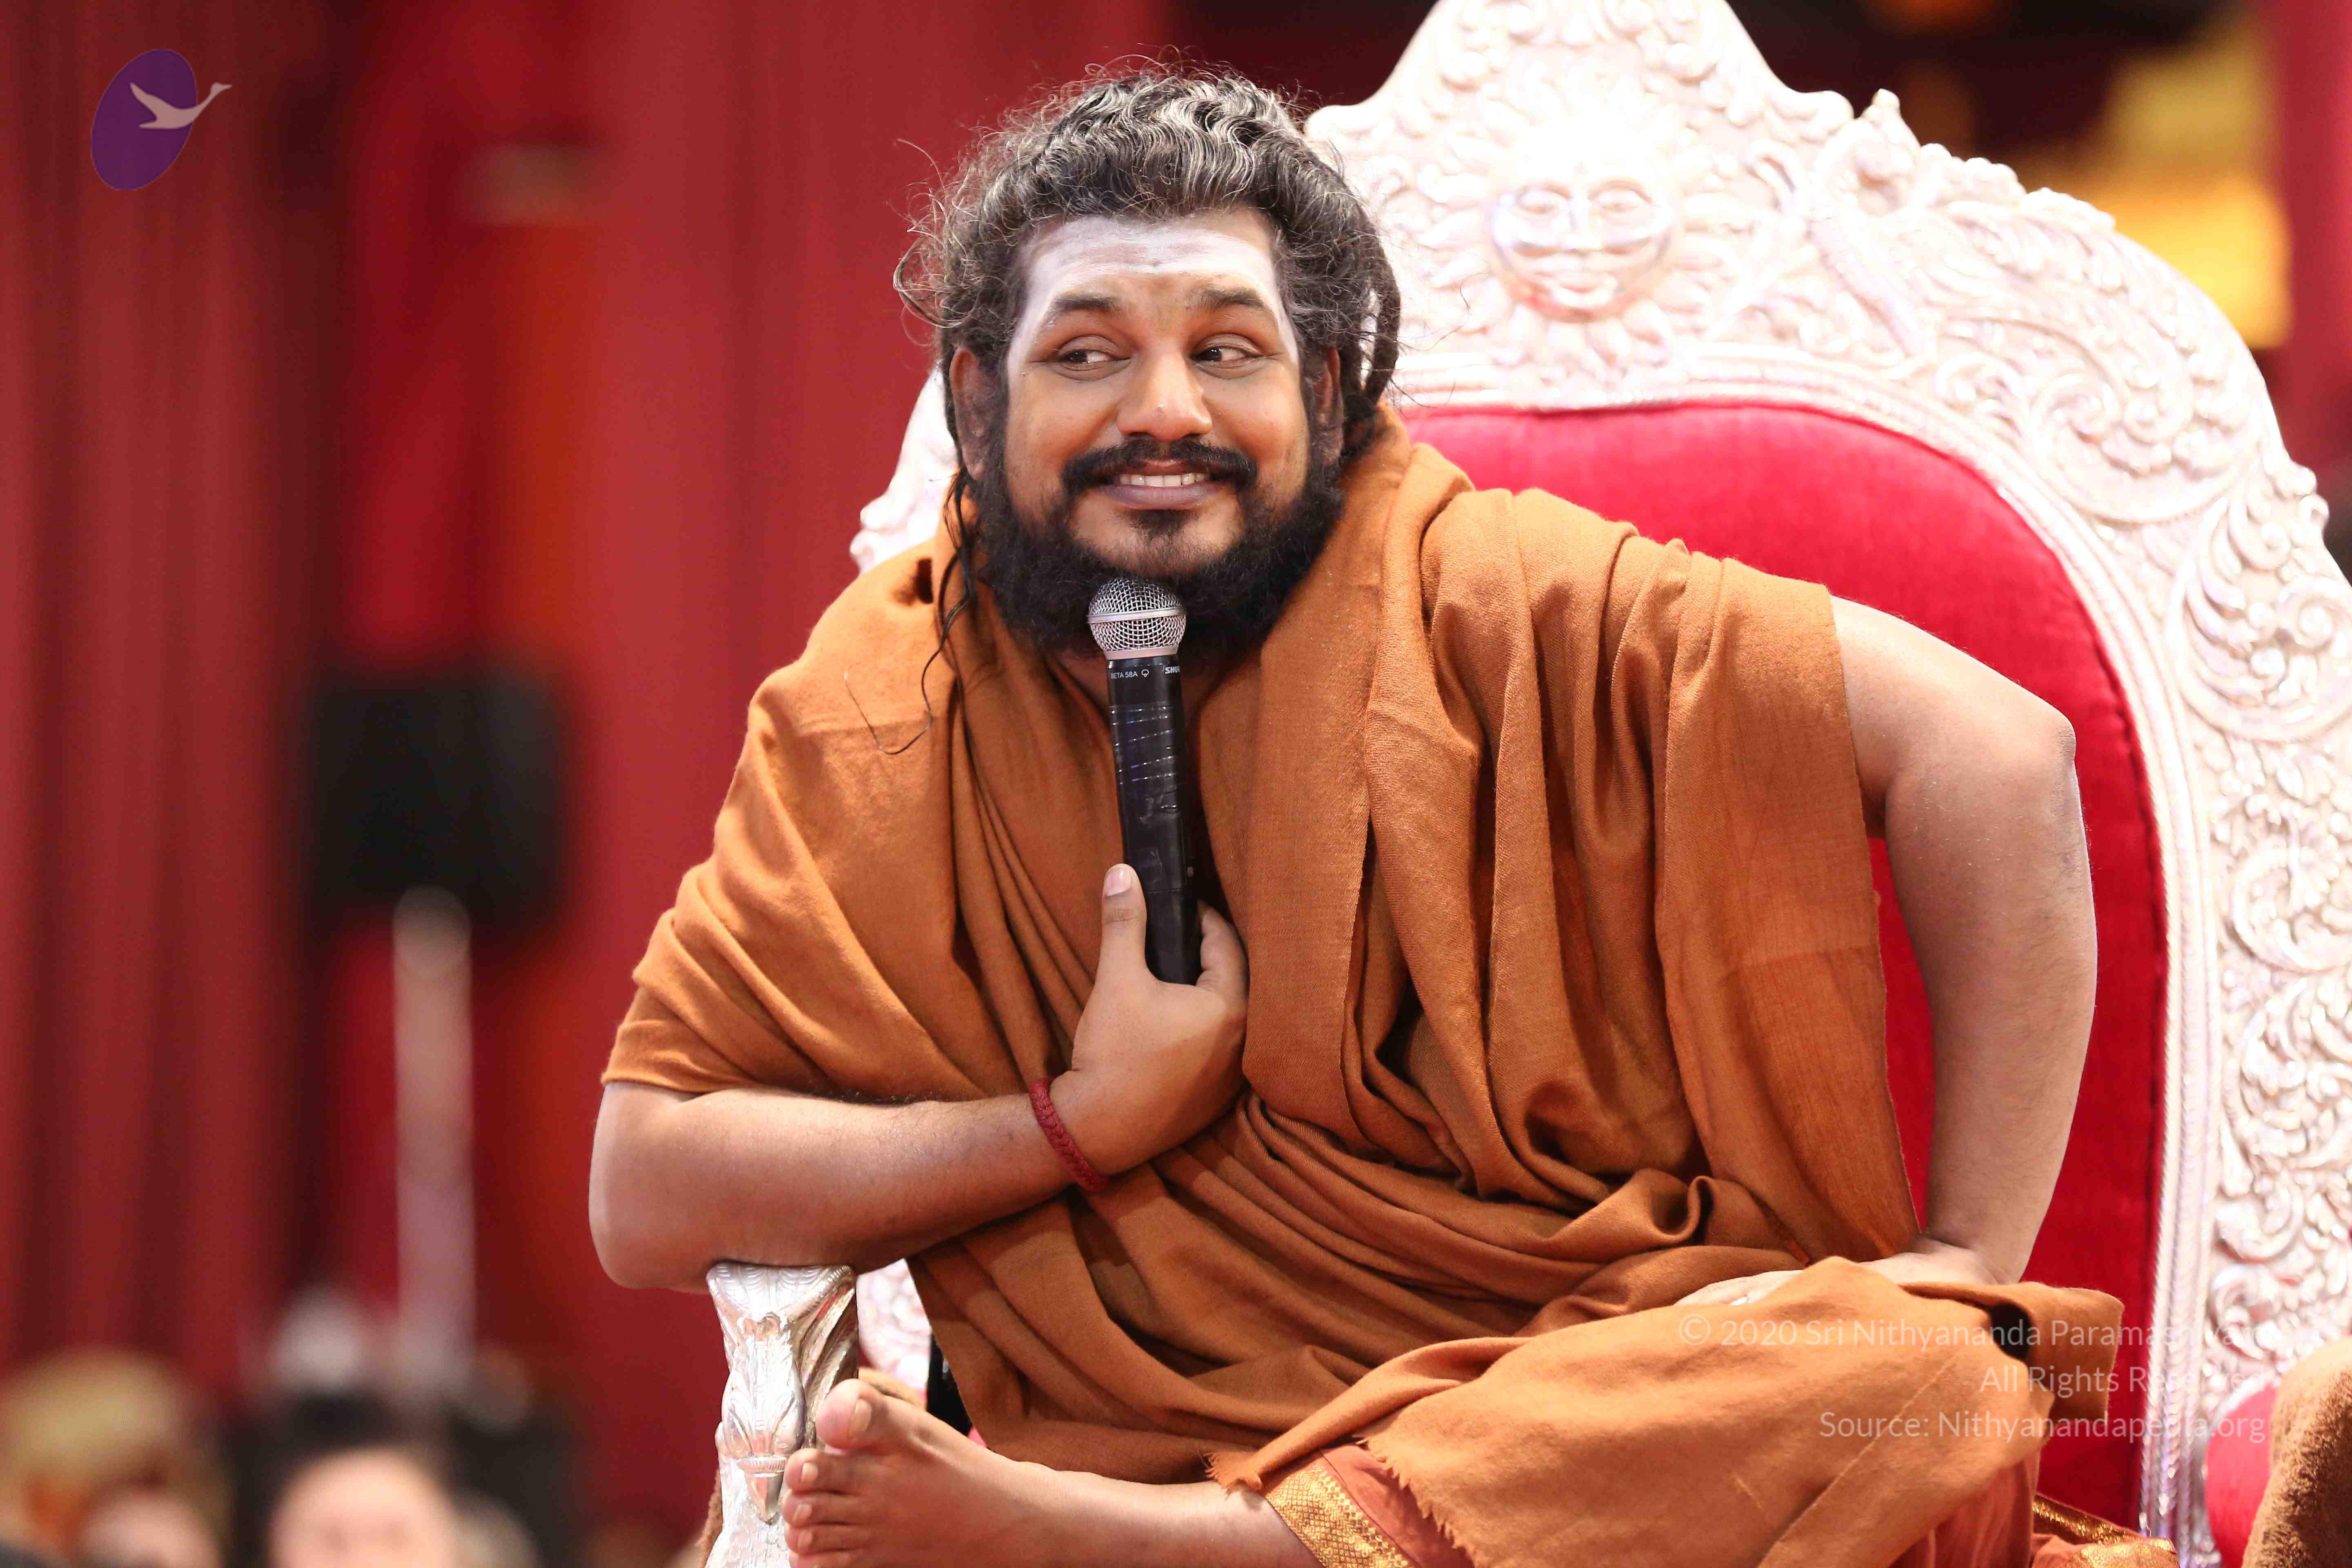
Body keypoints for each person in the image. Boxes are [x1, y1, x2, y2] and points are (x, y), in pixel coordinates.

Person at [589, 67, 2171, 1568]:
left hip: (1588, 1398)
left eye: (1229, 350)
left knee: (1937, 1371)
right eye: (1086, 354)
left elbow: (2001, 756)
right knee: (1935, 1385)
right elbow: (643, 1193)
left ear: (1329, 390)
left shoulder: (1494, 598)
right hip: (1173, 1436)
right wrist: (1080, 1121)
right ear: (974, 389)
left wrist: (1968, 1260)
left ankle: (1202, 1551)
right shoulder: (885, 696)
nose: (1163, 410)